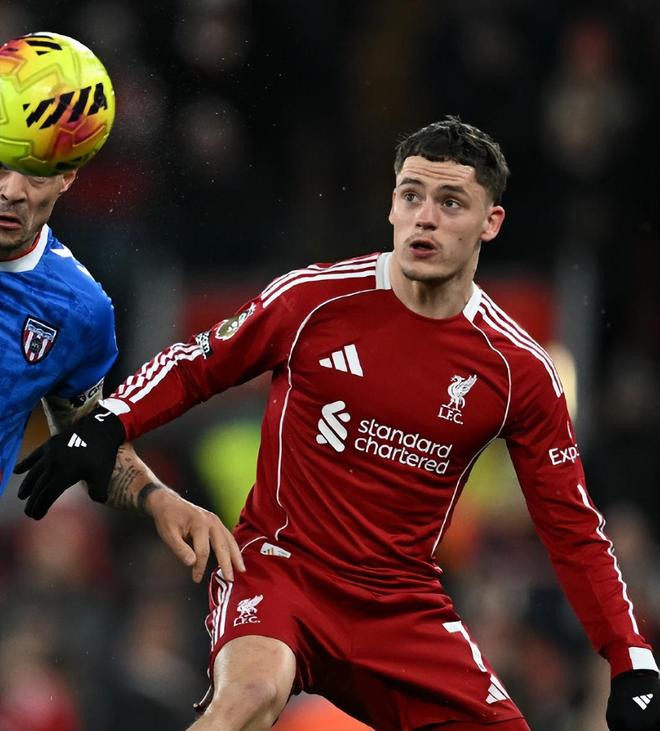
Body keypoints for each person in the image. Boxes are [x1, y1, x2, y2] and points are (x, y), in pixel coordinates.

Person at [15, 117, 659, 730]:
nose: (425, 217)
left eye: (451, 203)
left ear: (490, 223)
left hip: (401, 603)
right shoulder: (313, 300)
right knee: (250, 696)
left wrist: (629, 657)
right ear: (392, 206)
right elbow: (198, 364)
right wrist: (107, 423)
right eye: (411, 195)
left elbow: (572, 528)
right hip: (280, 569)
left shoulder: (518, 369)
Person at [0, 163, 242, 584]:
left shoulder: (77, 309)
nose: (12, 191)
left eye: (36, 175)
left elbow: (87, 441)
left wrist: (158, 498)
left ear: (66, 179)